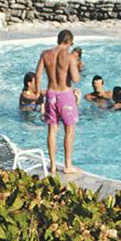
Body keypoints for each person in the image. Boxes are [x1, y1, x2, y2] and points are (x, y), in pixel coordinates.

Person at [37, 26, 82, 175]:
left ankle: (53, 166)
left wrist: (38, 93)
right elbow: (75, 79)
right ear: (69, 42)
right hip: (64, 95)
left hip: (51, 94)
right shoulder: (69, 57)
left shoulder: (45, 54)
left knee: (52, 130)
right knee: (69, 130)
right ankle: (67, 165)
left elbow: (38, 75)